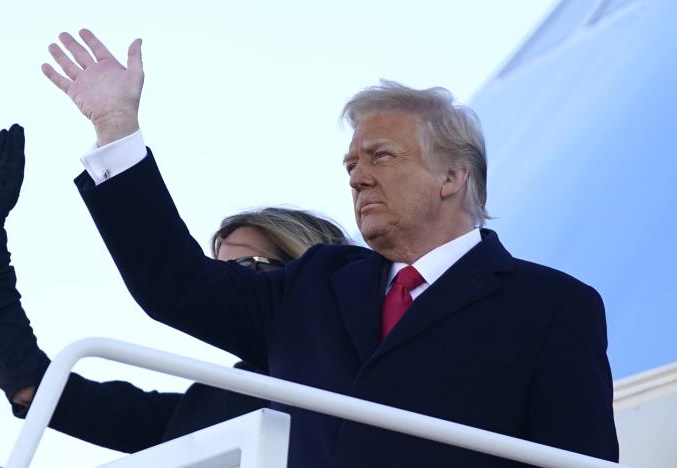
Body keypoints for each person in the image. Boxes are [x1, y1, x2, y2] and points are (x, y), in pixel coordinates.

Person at [43, 29, 619, 467]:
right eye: (351, 163)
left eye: (381, 157)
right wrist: (116, 128)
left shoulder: (553, 306)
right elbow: (176, 286)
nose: (358, 177)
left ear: (452, 176)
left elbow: (577, 459)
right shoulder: (314, 283)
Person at [0, 125, 351, 453]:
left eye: (247, 268)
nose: (227, 283)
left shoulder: (369, 365)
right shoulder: (203, 409)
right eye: (217, 271)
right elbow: (32, 387)